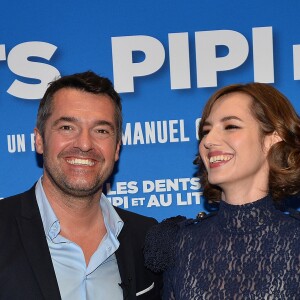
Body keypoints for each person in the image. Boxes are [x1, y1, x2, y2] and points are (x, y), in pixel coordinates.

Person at [0, 71, 162, 299]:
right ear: (39, 140)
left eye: (101, 131)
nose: (85, 144)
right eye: (67, 127)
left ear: (116, 148)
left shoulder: (146, 238)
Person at [144, 82, 300, 299]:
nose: (208, 141)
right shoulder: (179, 242)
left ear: (273, 140)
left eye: (230, 126)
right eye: (206, 131)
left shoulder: (295, 238)